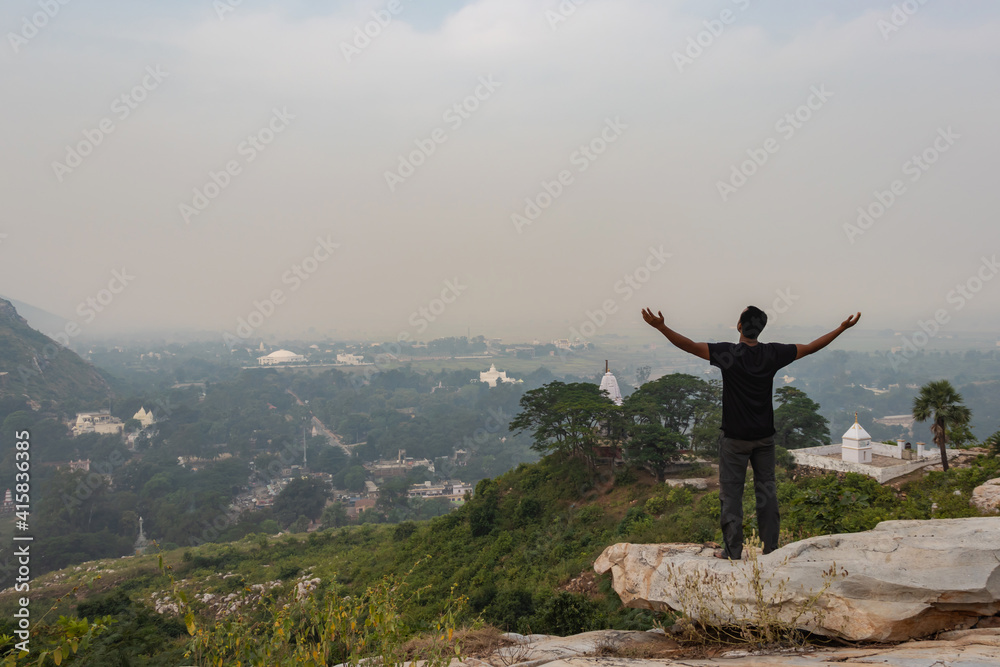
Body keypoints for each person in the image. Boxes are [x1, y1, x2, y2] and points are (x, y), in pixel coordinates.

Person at [641, 305, 861, 559]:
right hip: (764, 439)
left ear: (739, 326)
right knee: (767, 493)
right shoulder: (773, 353)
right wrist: (841, 328)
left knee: (731, 496)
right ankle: (771, 549)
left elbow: (689, 345)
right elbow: (811, 347)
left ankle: (733, 552)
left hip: (734, 440)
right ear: (760, 330)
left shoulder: (728, 353)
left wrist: (661, 327)